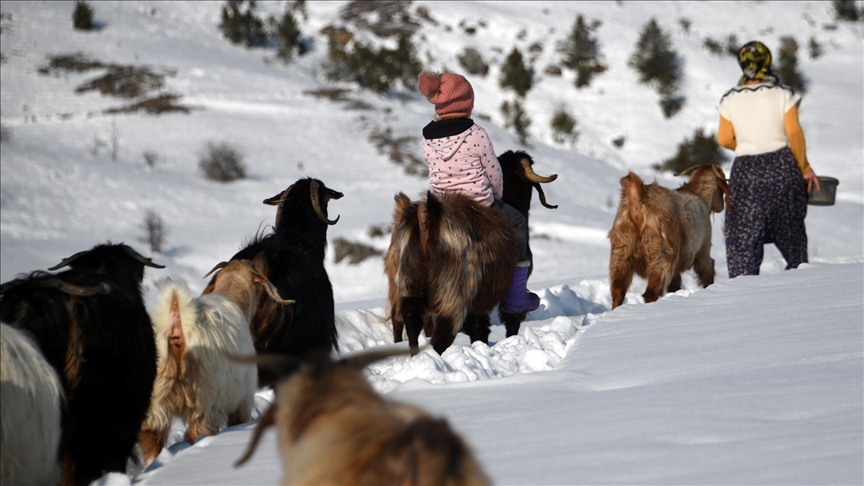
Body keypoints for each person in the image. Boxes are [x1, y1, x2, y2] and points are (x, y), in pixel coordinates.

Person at [417, 71, 540, 314]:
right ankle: (516, 297)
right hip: (478, 206)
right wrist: (496, 196)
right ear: (466, 104)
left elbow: (435, 170)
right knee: (519, 223)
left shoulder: (427, 137)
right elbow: (493, 171)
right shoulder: (476, 134)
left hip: (444, 207)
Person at [716, 40, 821, 279]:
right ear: (768, 61)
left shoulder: (729, 99)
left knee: (743, 233)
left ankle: (743, 287)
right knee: (791, 228)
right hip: (782, 167)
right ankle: (798, 277)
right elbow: (793, 133)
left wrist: (743, 144)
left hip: (746, 171)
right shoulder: (783, 94)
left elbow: (723, 139)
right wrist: (804, 167)